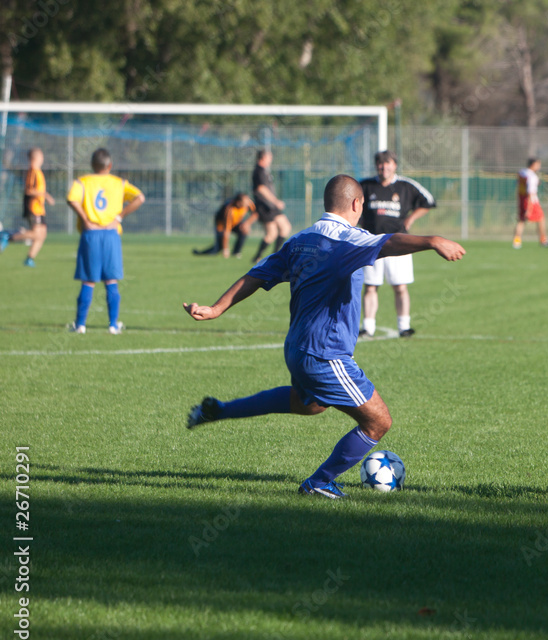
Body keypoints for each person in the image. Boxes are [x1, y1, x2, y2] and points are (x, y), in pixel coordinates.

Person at [183, 175, 465, 499]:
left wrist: (217, 308)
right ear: (358, 204)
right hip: (326, 354)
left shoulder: (300, 240)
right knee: (378, 422)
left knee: (311, 405)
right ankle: (318, 482)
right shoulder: (347, 239)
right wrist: (432, 240)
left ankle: (219, 409)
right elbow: (388, 243)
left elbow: (257, 276)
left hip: (297, 348)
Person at [66, 148, 146, 334]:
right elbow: (140, 197)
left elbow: (71, 199)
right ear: (109, 165)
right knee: (111, 281)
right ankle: (112, 325)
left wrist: (86, 220)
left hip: (91, 234)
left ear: (92, 165)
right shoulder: (118, 183)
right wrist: (119, 217)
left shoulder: (83, 181)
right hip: (111, 234)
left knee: (88, 281)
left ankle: (80, 325)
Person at [359, 150, 436, 338]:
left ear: (395, 165)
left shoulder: (405, 186)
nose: (384, 167)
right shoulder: (365, 186)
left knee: (400, 286)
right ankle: (368, 327)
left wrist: (410, 219)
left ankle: (404, 326)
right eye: (380, 163)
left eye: (388, 163)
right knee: (370, 286)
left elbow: (429, 201)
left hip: (399, 243)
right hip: (372, 243)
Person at [0, 148, 55, 267]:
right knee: (36, 234)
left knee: (42, 234)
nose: (43, 158)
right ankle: (8, 235)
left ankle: (30, 258)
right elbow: (29, 190)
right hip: (33, 207)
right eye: (41, 156)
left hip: (39, 208)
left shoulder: (37, 171)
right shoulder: (33, 171)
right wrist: (46, 195)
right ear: (36, 158)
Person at [250, 149, 293, 263]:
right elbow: (261, 189)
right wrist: (275, 201)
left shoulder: (264, 171)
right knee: (272, 234)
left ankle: (275, 255)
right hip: (265, 207)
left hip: (271, 207)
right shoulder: (258, 171)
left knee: (285, 227)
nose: (271, 159)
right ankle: (259, 256)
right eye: (270, 157)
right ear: (263, 158)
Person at [193, 193, 257, 258]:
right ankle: (200, 254)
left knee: (243, 231)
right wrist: (226, 249)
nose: (247, 203)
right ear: (238, 203)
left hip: (236, 223)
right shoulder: (229, 209)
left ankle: (236, 252)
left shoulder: (248, 203)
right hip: (221, 224)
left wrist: (247, 223)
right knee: (218, 248)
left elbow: (256, 214)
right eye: (245, 202)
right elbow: (226, 231)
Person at [512, 158, 548, 249]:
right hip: (531, 201)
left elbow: (518, 183)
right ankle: (543, 240)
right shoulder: (532, 176)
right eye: (538, 164)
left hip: (521, 199)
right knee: (541, 218)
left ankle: (517, 241)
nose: (539, 166)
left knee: (521, 220)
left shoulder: (522, 172)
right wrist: (529, 209)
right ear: (533, 164)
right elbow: (531, 192)